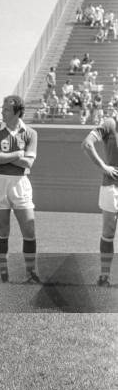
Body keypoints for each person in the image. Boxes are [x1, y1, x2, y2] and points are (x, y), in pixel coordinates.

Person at [0, 95, 40, 284]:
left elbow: (29, 162)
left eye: (6, 109)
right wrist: (17, 154)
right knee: (2, 230)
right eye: (2, 108)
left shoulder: (30, 133)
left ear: (17, 112)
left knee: (29, 230)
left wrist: (4, 155)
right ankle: (4, 276)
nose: (2, 111)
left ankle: (31, 274)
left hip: (20, 183)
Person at [82, 117, 118, 286]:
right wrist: (104, 166)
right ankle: (104, 276)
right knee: (108, 231)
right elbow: (87, 144)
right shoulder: (109, 124)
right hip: (112, 186)